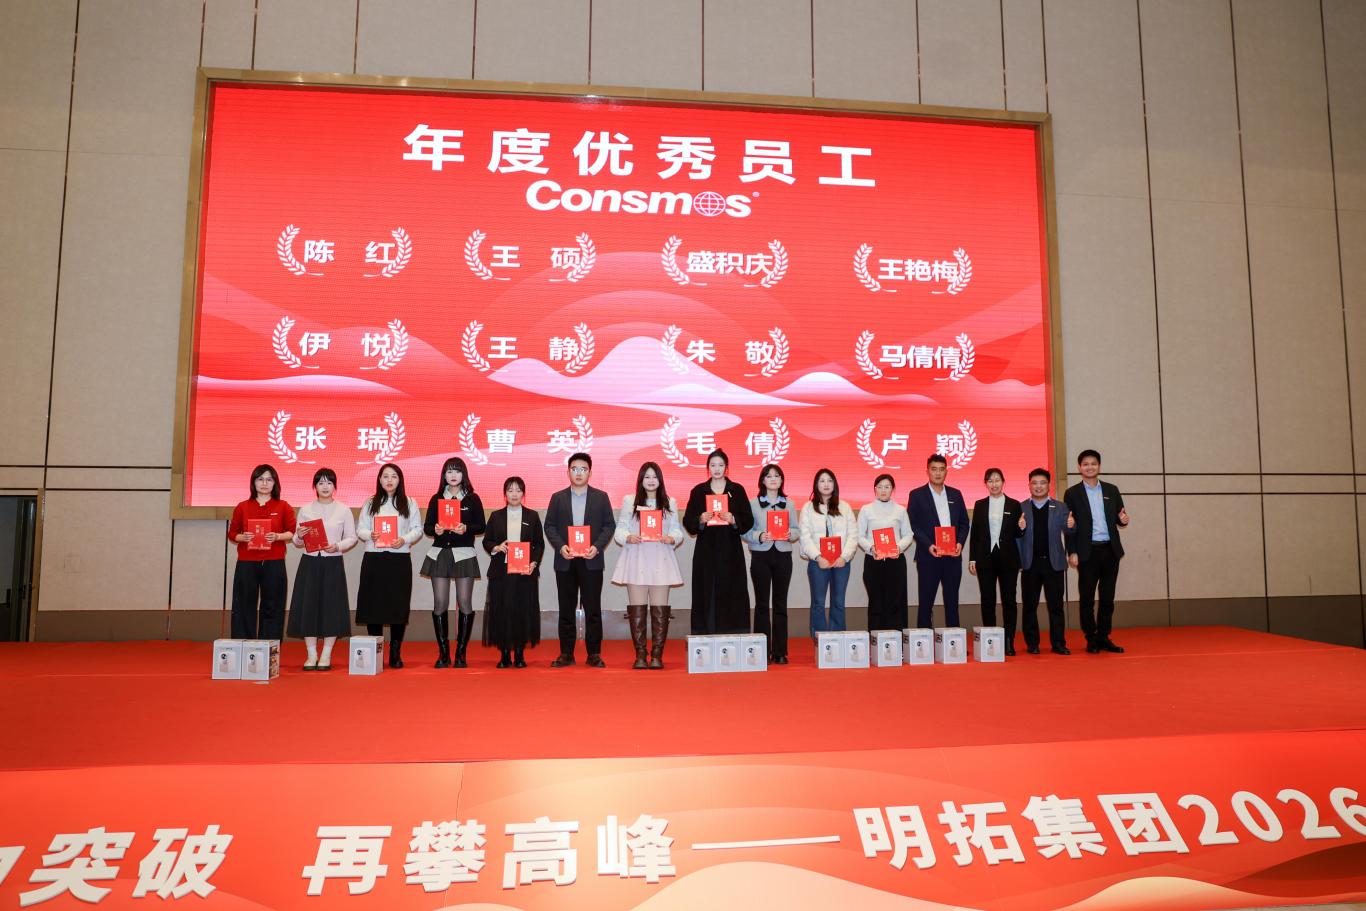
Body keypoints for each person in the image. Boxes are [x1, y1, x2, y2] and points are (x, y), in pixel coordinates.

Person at [543, 453, 617, 667]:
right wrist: (561, 546)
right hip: (565, 560)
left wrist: (597, 547)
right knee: (566, 608)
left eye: (583, 469)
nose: (578, 473)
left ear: (590, 473)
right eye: (574, 469)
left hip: (591, 560)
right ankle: (566, 653)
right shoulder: (558, 497)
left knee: (592, 608)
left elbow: (609, 526)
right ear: (568, 472)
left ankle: (594, 653)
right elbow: (549, 526)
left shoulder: (601, 497)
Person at [611, 462, 684, 669]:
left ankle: (657, 654)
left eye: (654, 477)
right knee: (638, 609)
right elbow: (620, 530)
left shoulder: (669, 502)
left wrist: (671, 538)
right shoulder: (630, 501)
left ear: (660, 480)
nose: (651, 481)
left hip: (661, 558)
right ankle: (641, 654)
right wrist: (628, 537)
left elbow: (677, 530)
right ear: (641, 480)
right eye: (647, 477)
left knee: (660, 610)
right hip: (637, 558)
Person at [355, 463, 423, 668]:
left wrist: (404, 539)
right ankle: (376, 651)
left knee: (397, 605)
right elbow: (360, 529)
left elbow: (417, 529)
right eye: (385, 476)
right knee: (373, 605)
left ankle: (395, 652)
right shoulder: (370, 502)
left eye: (394, 476)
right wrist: (371, 535)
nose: (389, 480)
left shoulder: (409, 502)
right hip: (374, 558)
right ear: (379, 480)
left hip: (398, 559)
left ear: (400, 480)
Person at [288, 467, 357, 670]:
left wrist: (338, 546)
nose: (325, 486)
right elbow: (296, 541)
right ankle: (311, 654)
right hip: (309, 562)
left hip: (332, 562)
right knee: (308, 606)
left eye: (329, 482)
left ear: (335, 486)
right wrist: (299, 535)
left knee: (331, 607)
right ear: (314, 486)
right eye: (320, 483)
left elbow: (352, 538)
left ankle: (326, 654)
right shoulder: (306, 509)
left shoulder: (343, 509)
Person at [422, 457, 486, 668]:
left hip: (464, 554)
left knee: (464, 602)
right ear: (444, 475)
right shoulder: (436, 498)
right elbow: (428, 527)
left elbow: (481, 526)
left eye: (457, 471)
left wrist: (466, 528)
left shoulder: (472, 499)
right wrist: (436, 530)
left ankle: (461, 652)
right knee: (440, 602)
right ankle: (443, 653)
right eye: (449, 471)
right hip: (440, 553)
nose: (453, 475)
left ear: (463, 474)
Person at [1064, 449, 1130, 653]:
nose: (1089, 467)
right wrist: (1072, 551)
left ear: (1099, 466)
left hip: (1110, 550)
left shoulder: (1112, 490)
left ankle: (1104, 636)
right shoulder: (1072, 493)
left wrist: (1123, 520)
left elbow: (1120, 516)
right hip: (1087, 551)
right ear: (1079, 467)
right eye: (1085, 464)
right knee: (1087, 597)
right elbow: (1070, 526)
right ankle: (1091, 637)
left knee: (1108, 597)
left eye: (1093, 463)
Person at [682, 449, 755, 634]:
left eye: (721, 465)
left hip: (731, 551)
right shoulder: (699, 491)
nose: (717, 469)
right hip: (706, 551)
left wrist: (734, 519)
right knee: (706, 591)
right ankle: (705, 633)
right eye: (713, 465)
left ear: (726, 467)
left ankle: (734, 633)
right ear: (708, 468)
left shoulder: (737, 490)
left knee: (733, 591)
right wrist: (700, 519)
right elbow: (688, 521)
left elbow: (748, 520)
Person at [226, 464, 295, 640]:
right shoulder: (242, 507)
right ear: (253, 482)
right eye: (260, 479)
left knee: (273, 605)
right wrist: (243, 537)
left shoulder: (283, 506)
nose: (264, 483)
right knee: (243, 604)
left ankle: (269, 646)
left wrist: (277, 536)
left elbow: (292, 532)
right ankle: (243, 644)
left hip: (274, 561)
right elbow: (232, 534)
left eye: (269, 479)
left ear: (275, 483)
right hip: (247, 562)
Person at [482, 476, 544, 669]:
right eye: (510, 490)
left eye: (518, 490)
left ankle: (519, 653)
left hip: (524, 573)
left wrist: (534, 562)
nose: (514, 494)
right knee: (502, 611)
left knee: (522, 611)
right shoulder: (496, 516)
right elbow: (487, 541)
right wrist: (497, 547)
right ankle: (504, 654)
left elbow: (539, 544)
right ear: (505, 494)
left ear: (523, 493)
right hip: (501, 572)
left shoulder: (532, 516)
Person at [743, 463, 800, 663]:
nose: (773, 479)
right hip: (761, 556)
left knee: (780, 603)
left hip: (783, 555)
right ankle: (762, 650)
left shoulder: (789, 504)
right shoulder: (753, 503)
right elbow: (745, 531)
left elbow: (797, 530)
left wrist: (790, 534)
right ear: (762, 480)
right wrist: (760, 536)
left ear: (782, 480)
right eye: (769, 476)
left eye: (777, 476)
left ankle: (780, 651)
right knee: (761, 603)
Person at [907, 453, 971, 628]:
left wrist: (960, 543)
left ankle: (954, 639)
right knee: (926, 601)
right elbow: (913, 525)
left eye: (941, 469)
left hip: (952, 556)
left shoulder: (956, 494)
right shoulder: (917, 495)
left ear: (946, 472)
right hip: (929, 556)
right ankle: (924, 640)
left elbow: (964, 523)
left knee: (952, 601)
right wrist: (928, 545)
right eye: (934, 469)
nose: (938, 473)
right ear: (927, 471)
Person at [1017, 468, 1073, 655]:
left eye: (1042, 483)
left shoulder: (1060, 507)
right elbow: (1016, 536)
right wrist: (1020, 529)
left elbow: (1070, 530)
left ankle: (1058, 643)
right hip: (1030, 564)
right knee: (1029, 606)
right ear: (1029, 485)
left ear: (1049, 485)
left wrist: (1072, 525)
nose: (1038, 486)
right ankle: (1032, 644)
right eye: (1034, 483)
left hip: (1053, 563)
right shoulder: (1021, 507)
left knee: (1056, 606)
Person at [968, 467, 1024, 650]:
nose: (994, 484)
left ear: (1003, 482)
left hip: (1008, 559)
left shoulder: (1014, 504)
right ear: (986, 484)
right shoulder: (980, 504)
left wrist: (1022, 527)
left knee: (1009, 600)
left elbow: (1018, 534)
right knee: (987, 599)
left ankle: (1008, 641)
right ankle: (990, 639)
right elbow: (975, 534)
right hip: (985, 558)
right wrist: (972, 558)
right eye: (990, 481)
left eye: (997, 480)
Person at [799, 468, 859, 634]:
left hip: (841, 562)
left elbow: (853, 535)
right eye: (822, 481)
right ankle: (819, 639)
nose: (826, 484)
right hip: (818, 562)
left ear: (835, 484)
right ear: (816, 485)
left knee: (838, 601)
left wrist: (844, 557)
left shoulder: (845, 507)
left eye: (829, 480)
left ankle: (837, 638)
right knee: (818, 602)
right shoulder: (808, 508)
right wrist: (818, 557)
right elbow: (805, 536)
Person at [857, 473, 912, 631]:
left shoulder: (900, 510)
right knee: (876, 602)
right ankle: (875, 639)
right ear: (875, 489)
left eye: (887, 487)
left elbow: (908, 535)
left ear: (893, 489)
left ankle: (895, 639)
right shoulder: (866, 510)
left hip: (895, 561)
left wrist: (898, 548)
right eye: (880, 487)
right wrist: (871, 547)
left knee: (895, 601)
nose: (883, 490)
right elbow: (859, 536)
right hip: (873, 560)